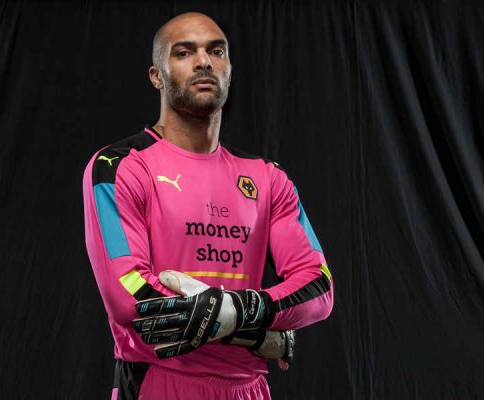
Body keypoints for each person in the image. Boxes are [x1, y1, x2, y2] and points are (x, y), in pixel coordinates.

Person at [82, 11, 334, 400]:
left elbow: (318, 287)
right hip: (160, 383)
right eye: (184, 52)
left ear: (229, 70)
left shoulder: (268, 178)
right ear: (156, 76)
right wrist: (259, 334)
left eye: (216, 51)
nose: (203, 61)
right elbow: (129, 297)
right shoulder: (119, 167)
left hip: (250, 390)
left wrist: (238, 310)